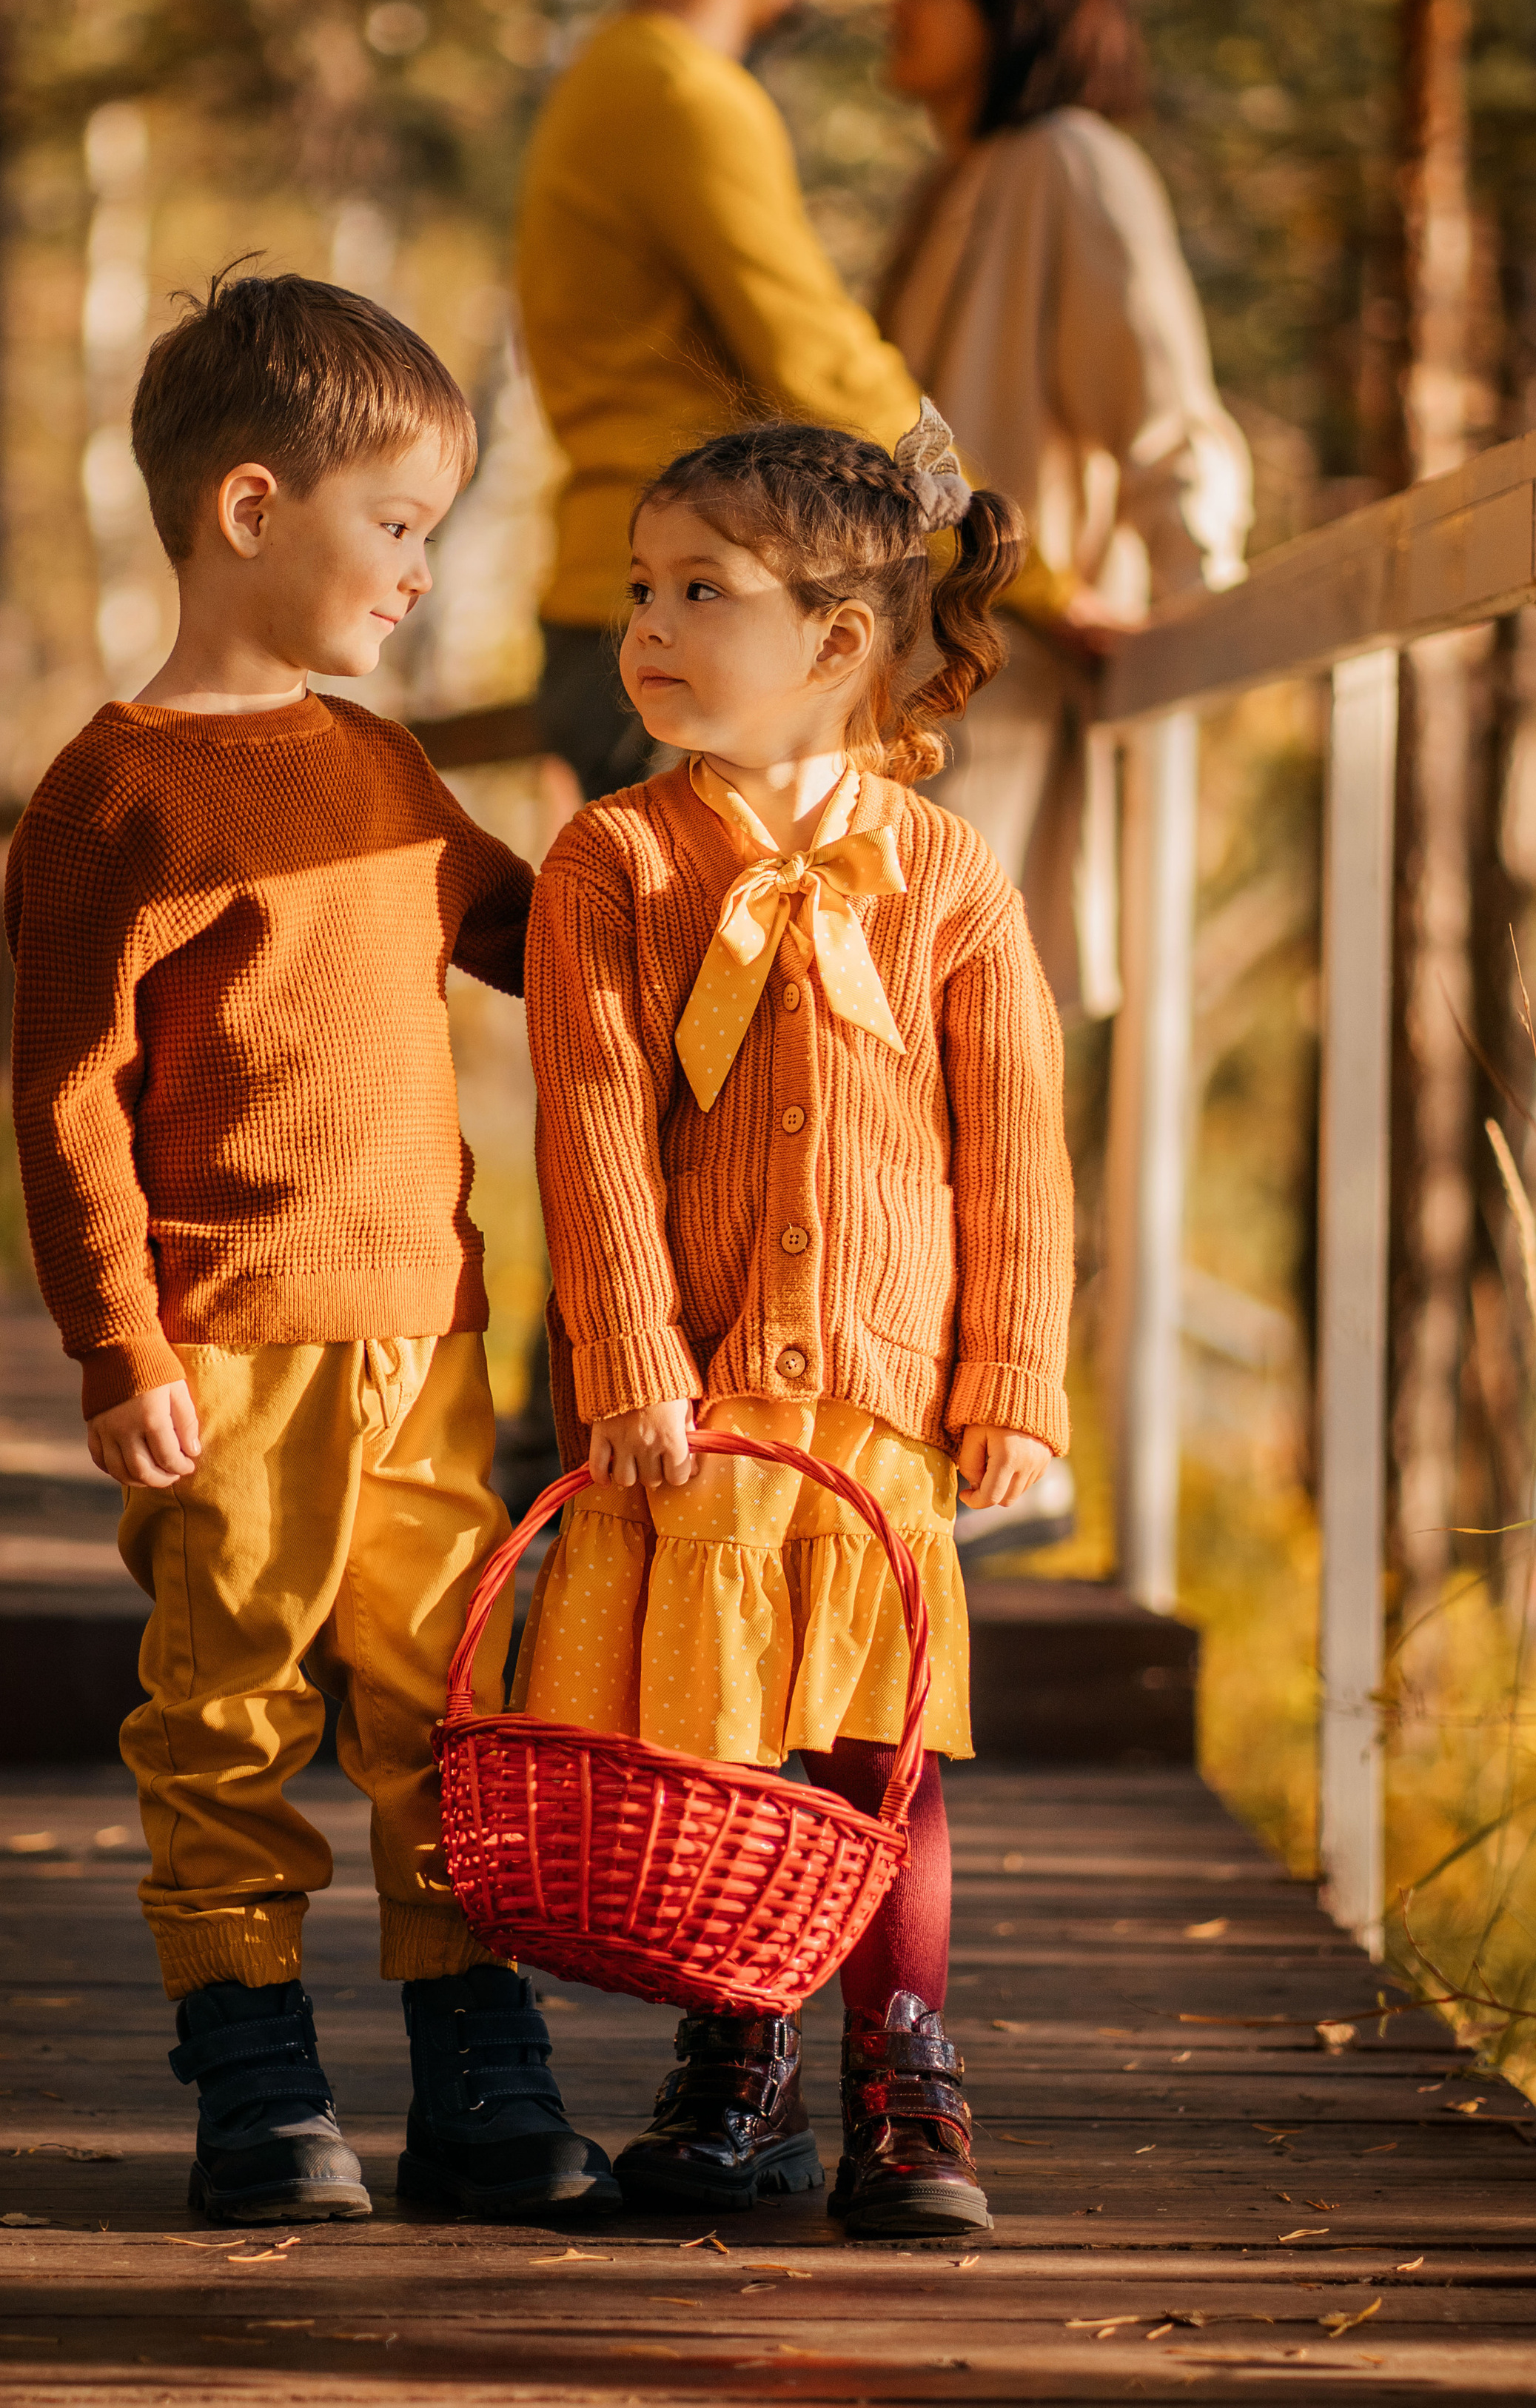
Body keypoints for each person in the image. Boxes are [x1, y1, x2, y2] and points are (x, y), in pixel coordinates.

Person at [4, 272, 615, 2229]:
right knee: (230, 1703)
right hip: (231, 1345)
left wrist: (709, 877)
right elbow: (69, 1101)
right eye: (401, 523)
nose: (424, 569)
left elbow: (534, 934)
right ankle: (255, 2075)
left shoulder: (378, 766)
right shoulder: (112, 799)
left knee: (447, 1698)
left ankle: (477, 2067)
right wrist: (120, 1347)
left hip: (426, 1325)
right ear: (252, 510)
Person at [514, 405, 1074, 2235]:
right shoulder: (614, 862)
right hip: (688, 1405)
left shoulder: (946, 877)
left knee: (877, 1756)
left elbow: (1012, 1150)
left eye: (701, 591)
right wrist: (624, 1358)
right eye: (639, 589)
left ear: (835, 640)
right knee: (716, 1748)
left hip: (880, 1414)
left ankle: (903, 2075)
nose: (647, 626)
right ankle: (735, 2056)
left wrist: (1011, 1376)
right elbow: (590, 1127)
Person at [516, 0, 1081, 815]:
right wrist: (1013, 560)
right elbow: (820, 362)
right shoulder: (684, 94)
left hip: (613, 593)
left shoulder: (598, 82)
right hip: (697, 606)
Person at [879, 0, 1253, 1017]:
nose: (898, 4)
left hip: (1001, 697)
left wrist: (1206, 635)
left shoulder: (1072, 163)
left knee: (958, 1041)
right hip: (901, 699)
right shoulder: (954, 184)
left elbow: (1165, 413)